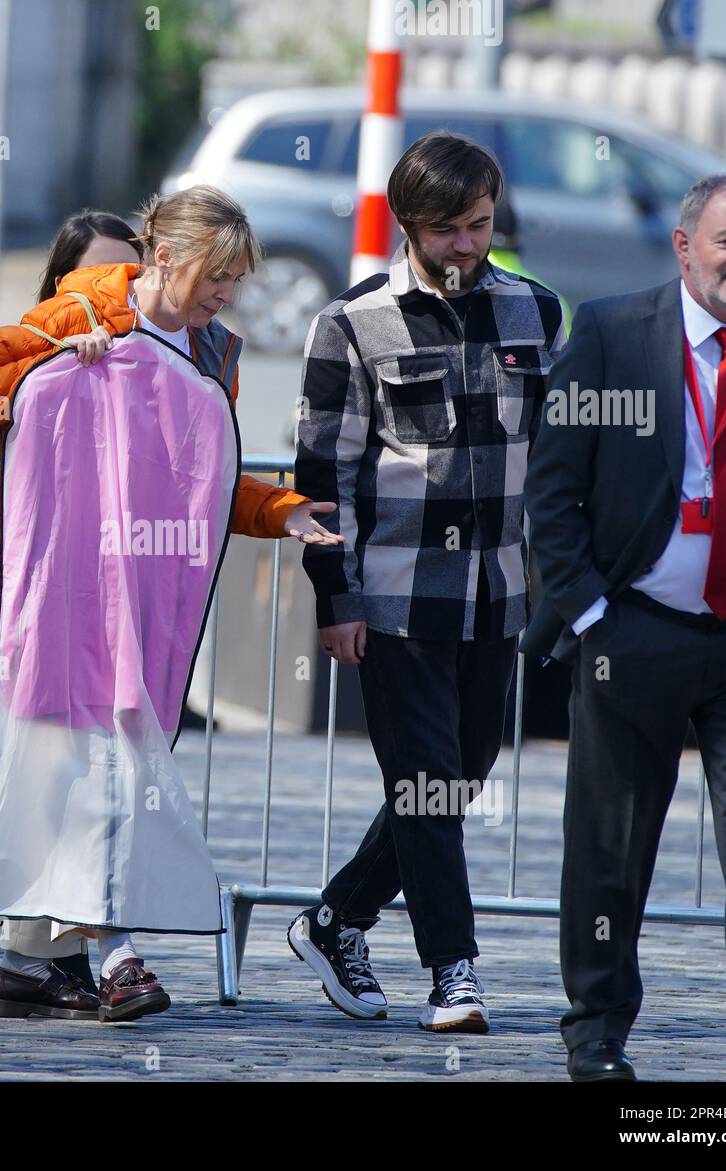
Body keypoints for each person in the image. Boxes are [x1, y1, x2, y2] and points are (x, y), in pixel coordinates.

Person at [0, 184, 340, 1021]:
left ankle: (25, 961)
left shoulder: (215, 355)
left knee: (97, 777)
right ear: (164, 257)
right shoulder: (84, 308)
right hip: (58, 598)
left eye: (236, 281)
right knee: (88, 778)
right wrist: (44, 373)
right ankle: (117, 956)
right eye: (217, 276)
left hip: (142, 605)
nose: (226, 297)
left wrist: (283, 510)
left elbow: (203, 481)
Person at [524, 171, 726, 1083]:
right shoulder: (609, 335)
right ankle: (596, 1031)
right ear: (685, 245)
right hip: (634, 631)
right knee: (612, 839)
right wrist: (593, 613)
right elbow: (552, 492)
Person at [290, 132, 566, 1032]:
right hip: (398, 592)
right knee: (424, 783)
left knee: (458, 775)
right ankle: (455, 970)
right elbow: (320, 477)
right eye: (447, 229)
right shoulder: (350, 323)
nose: (465, 245)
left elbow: (560, 457)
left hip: (498, 594)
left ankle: (337, 918)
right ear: (410, 223)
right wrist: (336, 600)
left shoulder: (538, 312)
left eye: (480, 225)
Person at [0, 207, 142, 1000]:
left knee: (88, 781)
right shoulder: (40, 337)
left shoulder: (153, 351)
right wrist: (53, 363)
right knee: (28, 778)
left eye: (127, 276)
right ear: (63, 283)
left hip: (104, 606)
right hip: (17, 602)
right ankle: (11, 937)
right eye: (95, 276)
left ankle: (39, 945)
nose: (112, 295)